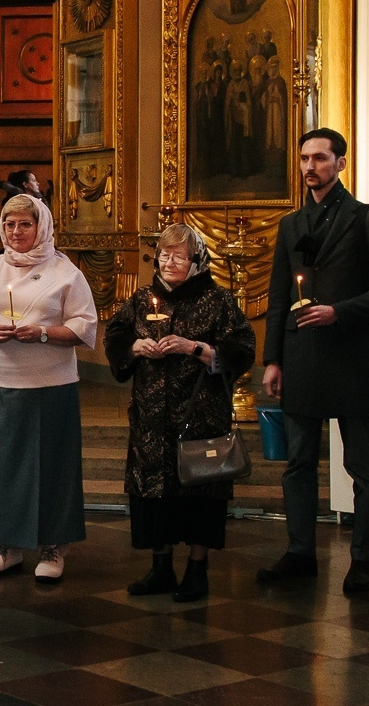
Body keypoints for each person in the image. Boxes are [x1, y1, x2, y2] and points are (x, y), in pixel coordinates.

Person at [260, 128, 369, 595]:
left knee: (363, 466)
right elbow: (279, 296)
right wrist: (272, 360)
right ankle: (300, 552)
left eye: (320, 158)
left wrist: (339, 312)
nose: (310, 167)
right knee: (298, 463)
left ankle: (362, 561)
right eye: (305, 158)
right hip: (301, 356)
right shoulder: (291, 224)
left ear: (340, 164)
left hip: (349, 356)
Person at [106, 225, 258, 602]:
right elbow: (116, 336)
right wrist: (136, 347)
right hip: (151, 417)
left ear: (197, 261)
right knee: (155, 491)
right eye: (164, 254)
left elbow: (241, 349)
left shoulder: (218, 300)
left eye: (179, 256)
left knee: (201, 491)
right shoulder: (142, 298)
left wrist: (195, 348)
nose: (170, 262)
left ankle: (196, 569)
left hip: (201, 415)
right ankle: (161, 568)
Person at [0, 195, 98, 581]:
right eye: (9, 224)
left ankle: (52, 547)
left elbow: (84, 327)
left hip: (50, 385)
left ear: (41, 226)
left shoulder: (65, 272)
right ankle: (5, 545)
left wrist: (42, 333)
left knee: (52, 467)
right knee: (2, 467)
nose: (16, 231)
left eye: (25, 224)